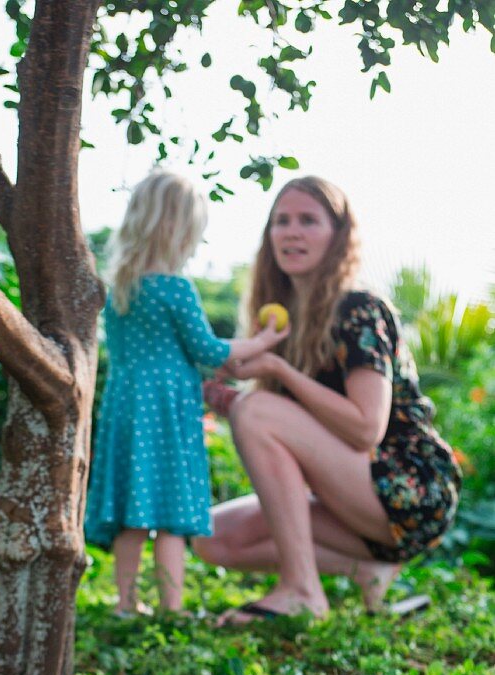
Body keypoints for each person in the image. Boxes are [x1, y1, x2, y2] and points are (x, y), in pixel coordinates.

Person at [195, 176, 461, 622]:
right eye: (281, 221)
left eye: (308, 221)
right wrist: (227, 397)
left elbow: (364, 428)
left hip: (409, 487)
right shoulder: (285, 322)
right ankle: (370, 568)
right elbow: (297, 435)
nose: (291, 231)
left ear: (338, 236)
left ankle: (302, 590)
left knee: (256, 409)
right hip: (355, 495)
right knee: (210, 537)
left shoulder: (357, 308)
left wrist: (277, 372)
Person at [85, 169, 287, 616]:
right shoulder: (175, 289)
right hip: (168, 411)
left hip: (127, 407)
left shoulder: (120, 289)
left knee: (134, 511)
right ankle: (171, 609)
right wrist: (262, 342)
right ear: (178, 229)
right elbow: (209, 350)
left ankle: (125, 602)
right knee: (172, 514)